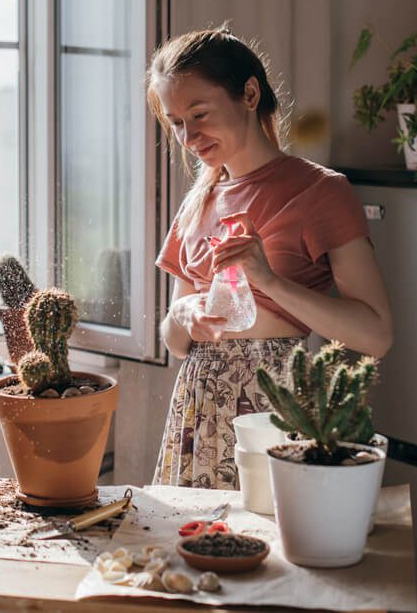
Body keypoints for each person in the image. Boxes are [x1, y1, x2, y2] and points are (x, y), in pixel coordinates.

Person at [149, 26, 394, 489]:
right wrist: (183, 312)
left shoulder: (321, 191)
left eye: (199, 114)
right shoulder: (196, 202)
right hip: (197, 408)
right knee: (192, 552)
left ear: (249, 92)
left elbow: (377, 334)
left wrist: (271, 282)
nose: (188, 137)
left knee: (267, 552)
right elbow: (176, 342)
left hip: (274, 408)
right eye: (176, 122)